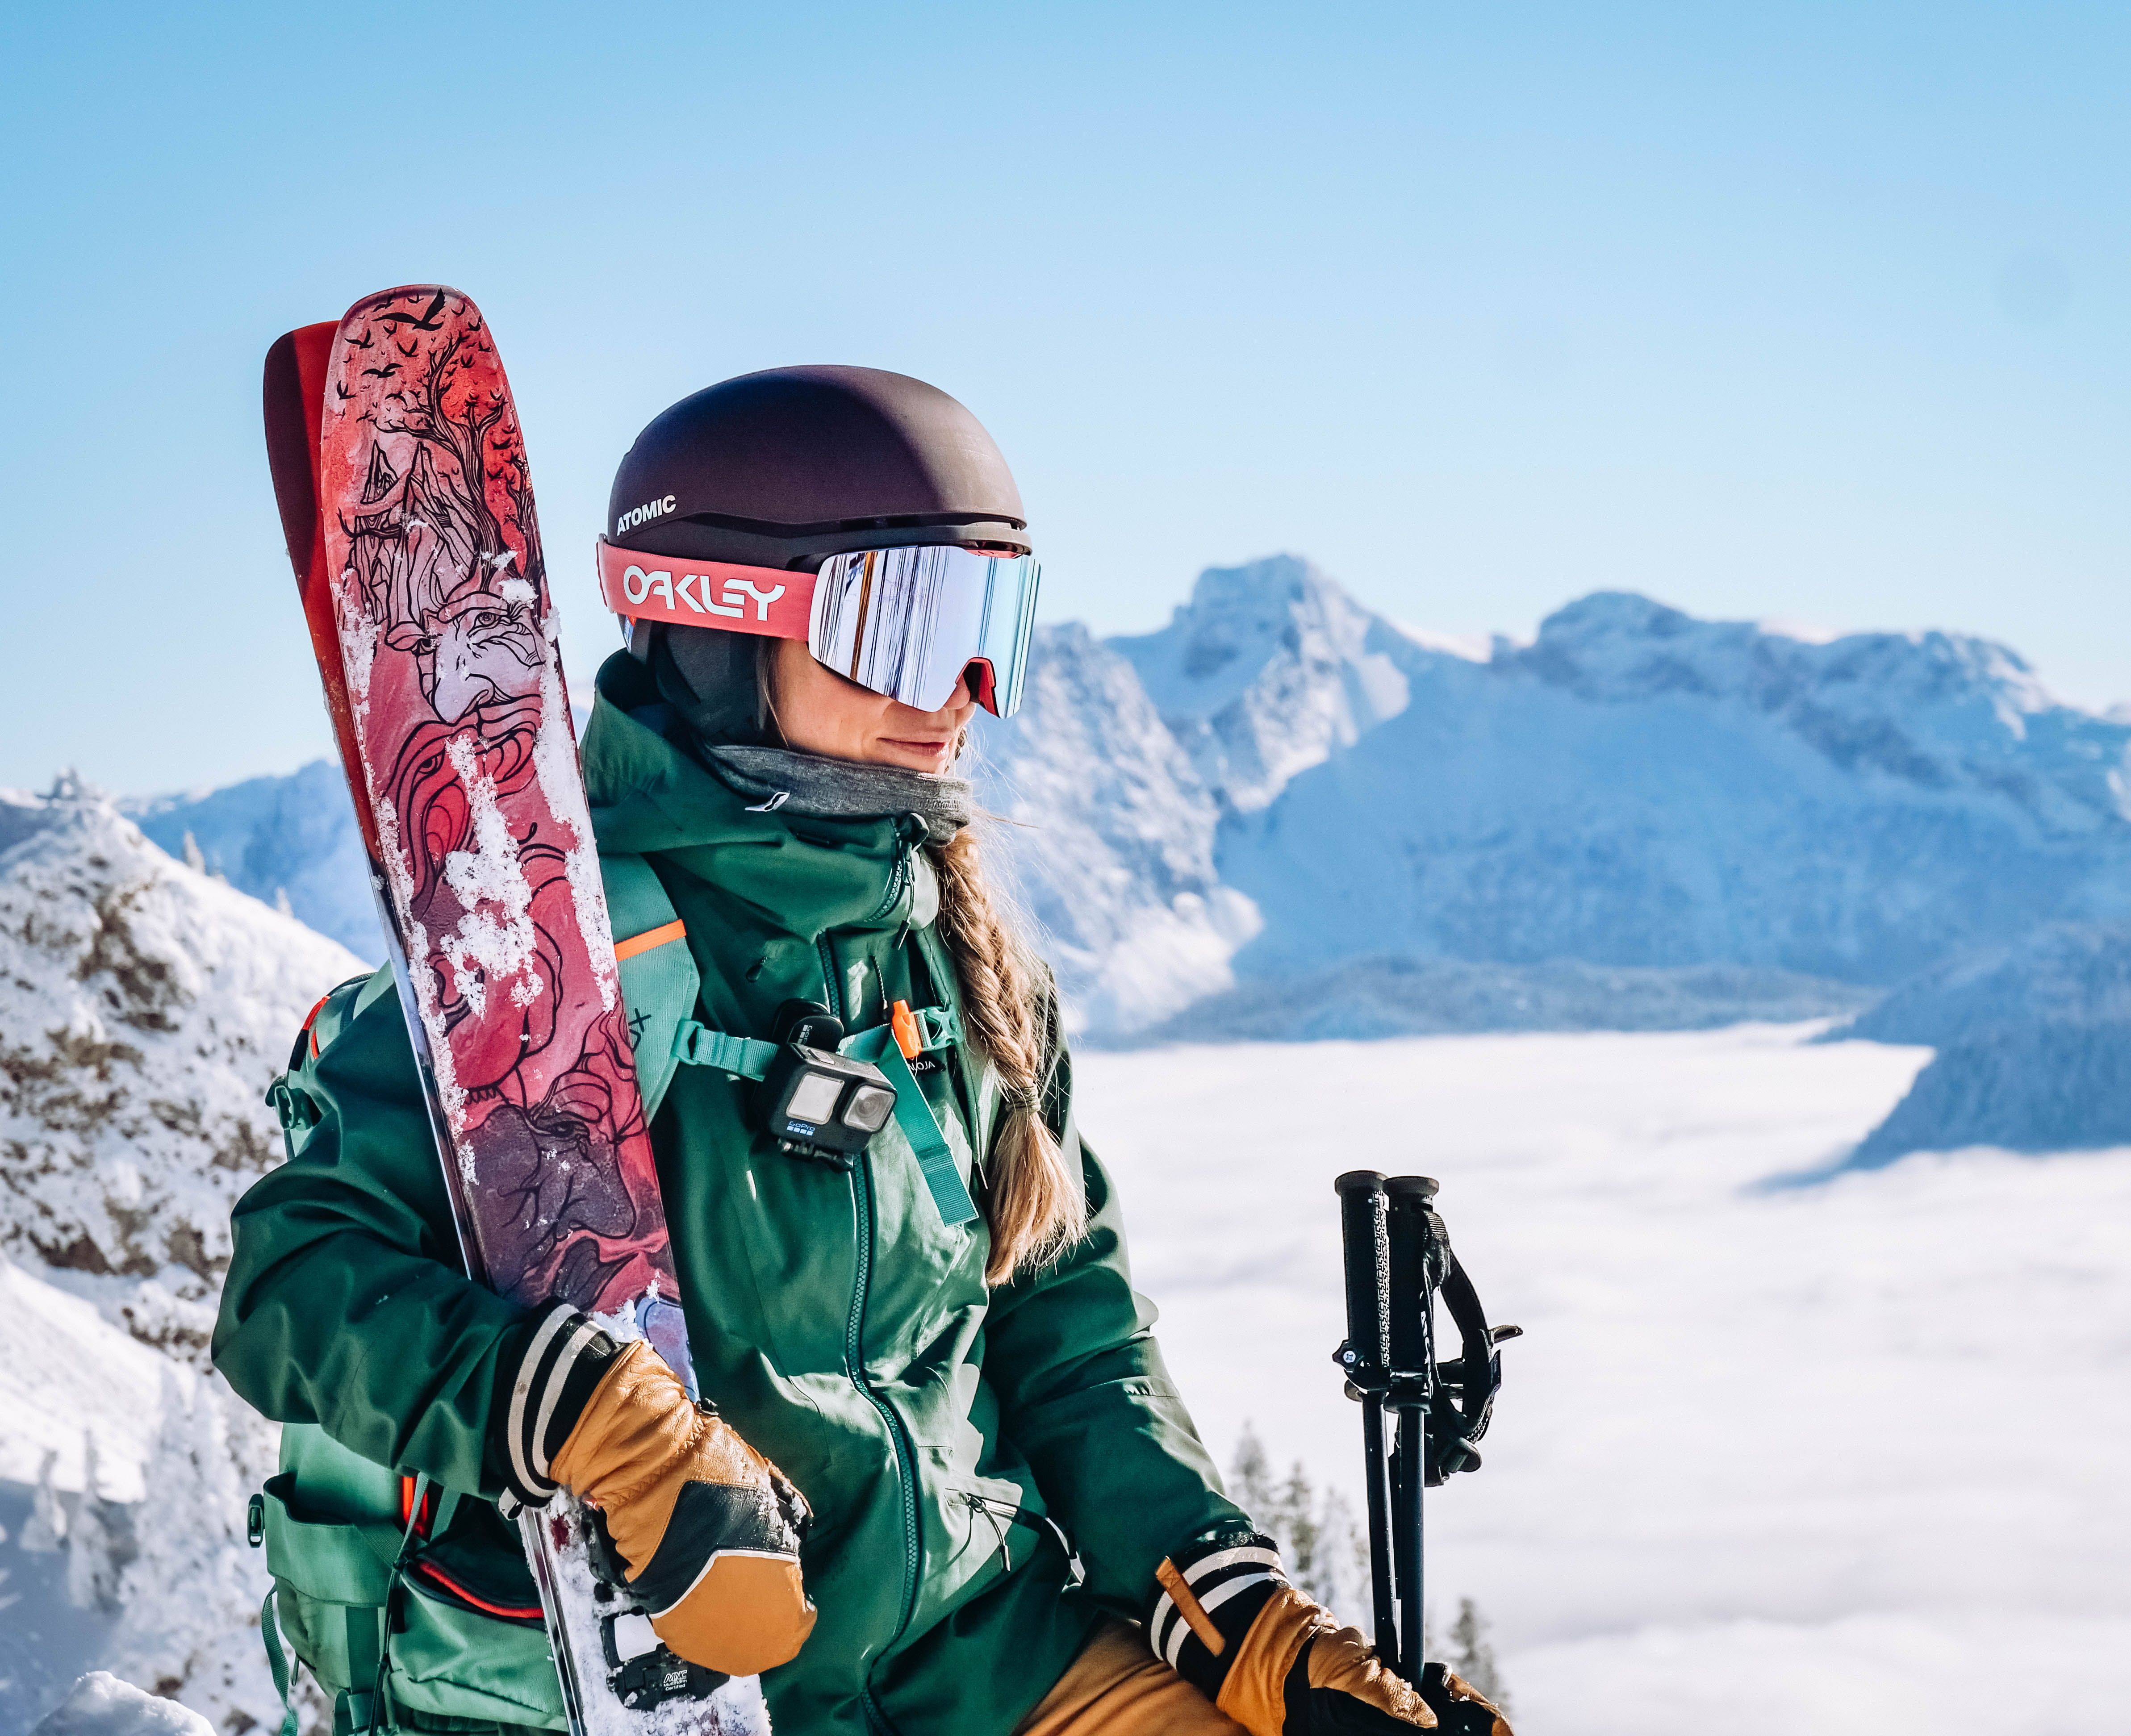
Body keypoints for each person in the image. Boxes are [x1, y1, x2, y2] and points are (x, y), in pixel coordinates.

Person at [215, 366, 1509, 1736]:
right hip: (677, 1686)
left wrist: (1233, 1607)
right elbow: (294, 1283)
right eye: (905, 623)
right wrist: (595, 1417)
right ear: (719, 623)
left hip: (987, 1657)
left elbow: (1069, 1341)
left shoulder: (963, 971)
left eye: (988, 626)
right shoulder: (527, 974)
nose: (961, 690)